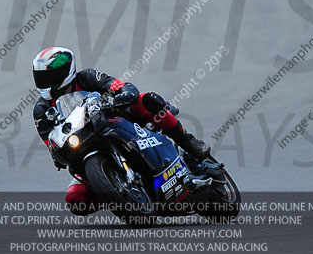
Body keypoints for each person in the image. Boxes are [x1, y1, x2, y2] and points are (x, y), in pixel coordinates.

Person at [31, 46, 209, 213]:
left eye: (49, 76)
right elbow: (51, 143)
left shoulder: (87, 77)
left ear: (64, 72)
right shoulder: (41, 110)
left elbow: (117, 85)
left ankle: (188, 142)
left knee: (145, 100)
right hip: (81, 145)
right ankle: (118, 189)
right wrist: (58, 154)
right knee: (76, 199)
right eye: (41, 77)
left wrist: (124, 93)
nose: (45, 82)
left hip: (109, 122)